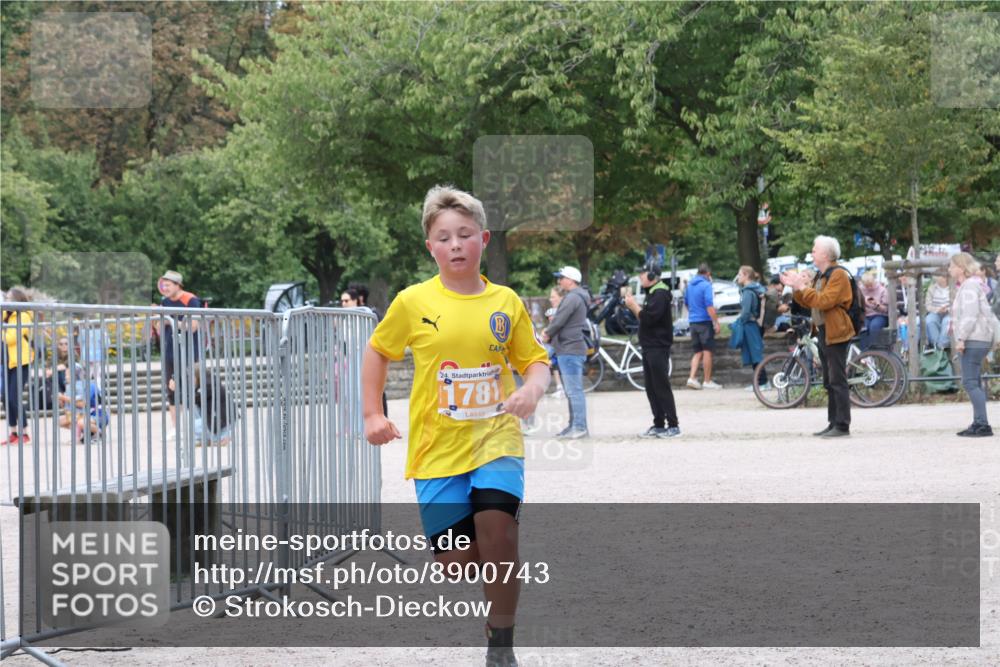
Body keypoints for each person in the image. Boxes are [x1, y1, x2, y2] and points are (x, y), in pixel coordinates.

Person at [361, 185, 550, 667]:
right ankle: (494, 612)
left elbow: (535, 362)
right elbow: (378, 351)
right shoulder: (411, 301)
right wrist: (372, 413)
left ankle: (502, 645)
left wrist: (530, 390)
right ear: (431, 247)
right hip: (436, 448)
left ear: (483, 238)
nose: (456, 245)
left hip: (496, 437)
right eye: (444, 238)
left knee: (500, 533)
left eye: (465, 234)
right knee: (456, 563)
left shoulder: (505, 301)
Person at [781, 236, 855, 438]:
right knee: (829, 380)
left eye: (815, 249)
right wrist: (796, 287)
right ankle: (833, 422)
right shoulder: (823, 275)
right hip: (823, 330)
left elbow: (824, 301)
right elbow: (809, 302)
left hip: (837, 331)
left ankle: (842, 425)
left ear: (825, 254)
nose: (812, 252)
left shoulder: (838, 274)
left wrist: (803, 287)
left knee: (837, 379)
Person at [624, 260, 680, 438]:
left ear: (651, 276)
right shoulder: (653, 292)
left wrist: (634, 307)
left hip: (657, 346)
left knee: (661, 386)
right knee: (651, 387)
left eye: (643, 273)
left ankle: (673, 425)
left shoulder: (660, 293)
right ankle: (659, 424)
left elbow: (649, 319)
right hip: (649, 346)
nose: (640, 276)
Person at [541, 265, 590, 438]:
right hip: (570, 348)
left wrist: (547, 333)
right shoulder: (576, 297)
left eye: (561, 278)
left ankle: (579, 427)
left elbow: (560, 320)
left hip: (570, 348)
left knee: (574, 390)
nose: (559, 281)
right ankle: (574, 425)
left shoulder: (572, 298)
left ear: (570, 280)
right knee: (572, 390)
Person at [949, 253, 994, 437]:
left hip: (973, 339)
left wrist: (961, 338)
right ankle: (978, 422)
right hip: (978, 338)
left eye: (951, 266)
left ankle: (982, 424)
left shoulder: (968, 287)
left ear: (961, 267)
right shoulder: (972, 285)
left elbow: (970, 314)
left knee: (970, 383)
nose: (949, 269)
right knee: (974, 382)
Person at [158, 270, 202, 443]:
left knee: (191, 388)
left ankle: (194, 427)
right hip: (170, 351)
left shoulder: (191, 300)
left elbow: (194, 326)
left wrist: (173, 322)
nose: (165, 288)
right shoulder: (164, 301)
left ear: (178, 285)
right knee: (171, 390)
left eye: (168, 285)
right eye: (164, 285)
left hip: (189, 351)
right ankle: (177, 429)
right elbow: (161, 325)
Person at [2, 287, 33, 445]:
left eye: (8, 298)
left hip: (21, 361)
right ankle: (14, 432)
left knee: (14, 397)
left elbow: (10, 338)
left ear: (18, 300)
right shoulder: (7, 315)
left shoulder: (24, 315)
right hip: (7, 362)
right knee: (6, 398)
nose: (5, 301)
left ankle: (25, 432)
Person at [684, 263, 722, 389]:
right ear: (708, 274)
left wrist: (694, 314)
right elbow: (709, 306)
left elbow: (686, 304)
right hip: (704, 322)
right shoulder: (706, 285)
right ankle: (707, 381)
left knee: (697, 351)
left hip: (693, 322)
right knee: (707, 351)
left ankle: (692, 378)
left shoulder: (689, 286)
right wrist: (716, 322)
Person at [734, 266, 768, 390]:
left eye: (740, 274)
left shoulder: (748, 291)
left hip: (750, 325)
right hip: (755, 324)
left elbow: (746, 312)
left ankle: (762, 382)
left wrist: (740, 321)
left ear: (747, 275)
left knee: (755, 354)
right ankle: (760, 382)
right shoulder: (755, 288)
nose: (738, 277)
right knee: (755, 353)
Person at [58, 364, 109, 444]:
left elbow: (82, 404)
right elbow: (69, 409)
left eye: (67, 375)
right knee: (61, 421)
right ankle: (87, 433)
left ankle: (100, 433)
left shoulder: (88, 386)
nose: (65, 377)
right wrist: (61, 402)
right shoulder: (71, 387)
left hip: (98, 414)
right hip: (84, 415)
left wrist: (64, 398)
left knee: (80, 422)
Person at [858, 270, 889, 351]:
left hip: (880, 315)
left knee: (874, 326)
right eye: (867, 286)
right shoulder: (860, 290)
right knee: (863, 327)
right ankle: (864, 353)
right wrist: (863, 301)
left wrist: (877, 304)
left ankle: (874, 351)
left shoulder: (882, 290)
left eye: (870, 285)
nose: (869, 288)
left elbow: (886, 310)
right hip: (865, 315)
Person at [542, 287, 564, 398]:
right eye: (549, 318)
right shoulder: (552, 325)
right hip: (556, 350)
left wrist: (546, 334)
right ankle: (559, 387)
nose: (551, 299)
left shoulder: (561, 315)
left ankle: (560, 388)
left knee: (551, 363)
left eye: (553, 297)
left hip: (561, 350)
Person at [924, 274, 952, 351]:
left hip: (950, 312)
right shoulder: (932, 288)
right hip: (935, 312)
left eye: (941, 276)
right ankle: (937, 346)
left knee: (947, 322)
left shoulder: (952, 287)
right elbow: (928, 306)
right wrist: (937, 309)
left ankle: (940, 346)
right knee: (929, 320)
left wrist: (948, 309)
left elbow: (957, 304)